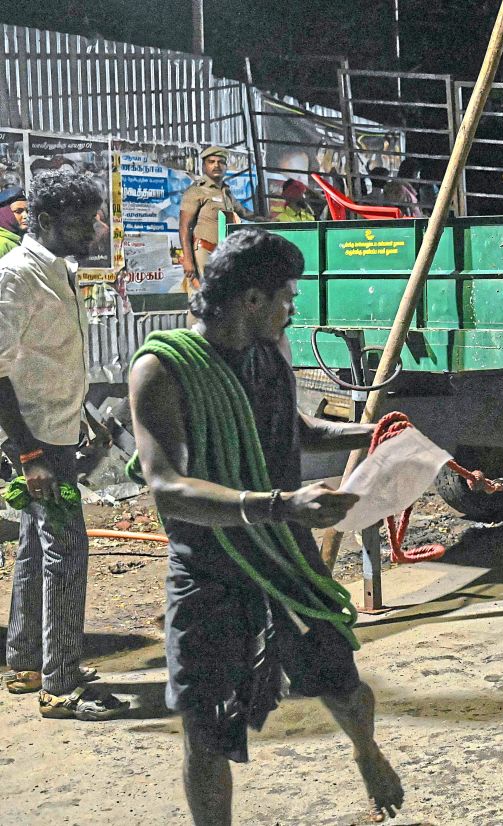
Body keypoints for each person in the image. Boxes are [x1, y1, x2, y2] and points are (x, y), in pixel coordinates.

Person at [128, 229, 404, 824]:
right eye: (286, 295)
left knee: (341, 680)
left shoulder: (270, 353)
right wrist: (280, 503)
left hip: (284, 554)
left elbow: (299, 432)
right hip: (210, 568)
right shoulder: (163, 369)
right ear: (252, 299)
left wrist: (379, 436)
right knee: (205, 726)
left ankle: (366, 750)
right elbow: (167, 488)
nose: (293, 307)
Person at [0, 170, 129, 718]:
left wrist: (82, 419)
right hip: (34, 445)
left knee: (35, 547)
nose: (96, 229)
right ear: (44, 221)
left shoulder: (57, 270)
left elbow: (46, 360)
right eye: (84, 220)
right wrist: (27, 454)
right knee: (66, 554)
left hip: (53, 432)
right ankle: (62, 685)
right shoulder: (16, 278)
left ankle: (27, 663)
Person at [179, 146, 264, 291]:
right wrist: (187, 259)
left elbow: (244, 212)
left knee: (222, 298)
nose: (216, 165)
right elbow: (184, 226)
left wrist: (268, 220)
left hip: (225, 254)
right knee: (203, 301)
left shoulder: (226, 192)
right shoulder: (197, 191)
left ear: (225, 167)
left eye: (221, 162)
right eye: (211, 162)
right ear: (204, 167)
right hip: (204, 251)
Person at [0, 187, 29, 257]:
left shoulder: (20, 239)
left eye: (27, 211)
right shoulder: (2, 244)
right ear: (4, 214)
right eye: (18, 211)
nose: (26, 216)